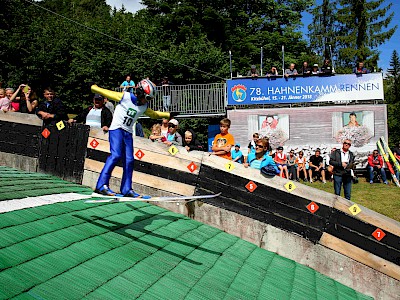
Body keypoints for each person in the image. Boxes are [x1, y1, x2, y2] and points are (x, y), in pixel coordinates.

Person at [91, 79, 170, 197]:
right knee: (116, 155)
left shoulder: (143, 106)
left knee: (129, 160)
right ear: (140, 93)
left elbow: (154, 114)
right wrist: (94, 87)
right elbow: (107, 93)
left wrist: (168, 115)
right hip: (117, 129)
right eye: (147, 98)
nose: (147, 101)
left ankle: (126, 189)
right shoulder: (125, 96)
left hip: (127, 133)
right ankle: (101, 185)